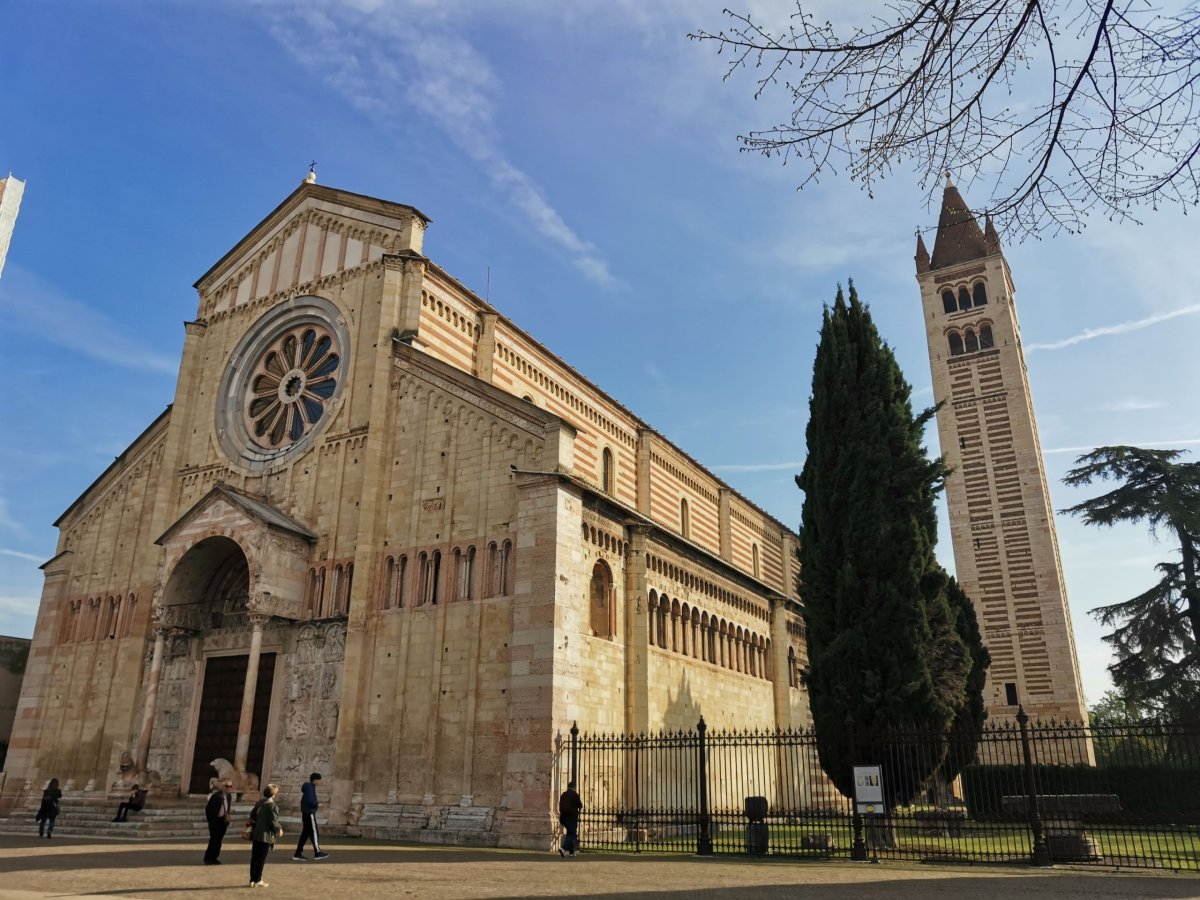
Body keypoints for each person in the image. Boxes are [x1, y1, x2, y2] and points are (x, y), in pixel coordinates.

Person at [248, 783, 283, 888]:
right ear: (274, 794)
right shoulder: (272, 806)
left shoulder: (259, 803)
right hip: (266, 836)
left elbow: (252, 816)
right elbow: (273, 821)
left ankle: (252, 879)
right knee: (261, 859)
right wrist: (279, 829)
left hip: (256, 834)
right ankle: (258, 879)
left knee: (254, 858)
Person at [293, 772, 329, 861]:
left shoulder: (309, 787)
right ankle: (317, 852)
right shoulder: (310, 788)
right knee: (314, 832)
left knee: (305, 834)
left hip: (306, 813)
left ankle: (298, 853)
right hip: (309, 813)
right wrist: (317, 804)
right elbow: (310, 800)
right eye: (319, 780)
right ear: (315, 780)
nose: (320, 782)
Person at [203, 778, 234, 864]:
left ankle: (215, 857)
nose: (228, 788)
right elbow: (208, 809)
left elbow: (227, 807)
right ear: (223, 786)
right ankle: (208, 858)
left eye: (230, 786)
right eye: (227, 786)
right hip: (215, 820)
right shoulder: (216, 796)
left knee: (219, 840)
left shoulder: (229, 796)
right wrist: (211, 820)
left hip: (223, 821)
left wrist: (227, 815)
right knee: (214, 840)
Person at [557, 780, 583, 857]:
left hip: (563, 817)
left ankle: (571, 852)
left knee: (570, 833)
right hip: (572, 817)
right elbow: (580, 805)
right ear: (574, 787)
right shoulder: (575, 795)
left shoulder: (563, 794)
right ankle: (563, 848)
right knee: (572, 834)